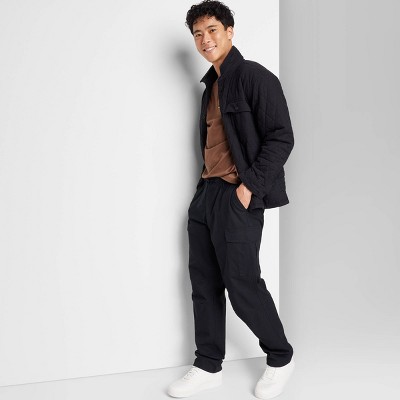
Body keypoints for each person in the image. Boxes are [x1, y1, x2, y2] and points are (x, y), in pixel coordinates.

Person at [167, 1, 295, 398]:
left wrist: (248, 187)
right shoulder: (210, 86)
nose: (205, 39)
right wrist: (202, 194)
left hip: (237, 196)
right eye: (198, 34)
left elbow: (281, 137)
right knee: (203, 283)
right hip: (206, 196)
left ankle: (280, 357)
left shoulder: (254, 76)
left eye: (212, 30)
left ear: (230, 31)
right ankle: (208, 365)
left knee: (241, 283)